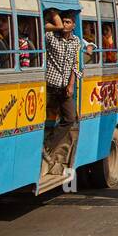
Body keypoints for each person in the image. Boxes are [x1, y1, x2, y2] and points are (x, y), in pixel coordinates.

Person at [42, 9, 84, 174]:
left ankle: (48, 145)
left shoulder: (75, 41)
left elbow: (75, 65)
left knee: (70, 117)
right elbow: (43, 27)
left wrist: (71, 85)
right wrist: (56, 23)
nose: (64, 25)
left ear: (73, 25)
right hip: (49, 86)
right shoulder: (51, 37)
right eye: (63, 21)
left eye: (68, 22)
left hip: (65, 87)